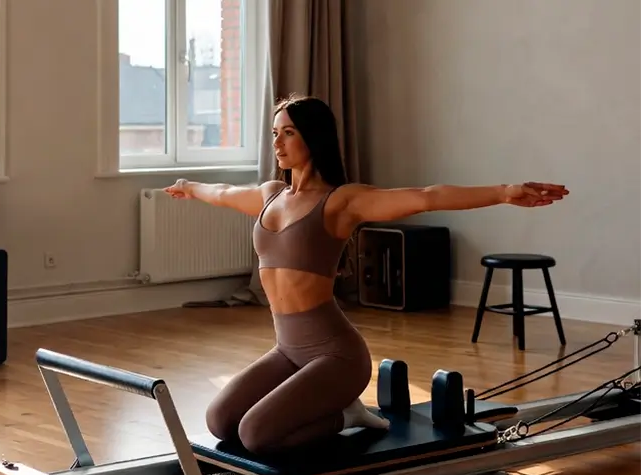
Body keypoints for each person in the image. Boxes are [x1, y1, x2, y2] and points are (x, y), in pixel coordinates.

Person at [163, 94, 568, 456]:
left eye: (288, 133)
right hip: (288, 351)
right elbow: (221, 192)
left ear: (313, 137)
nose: (277, 143)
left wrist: (503, 192)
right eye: (275, 133)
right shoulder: (271, 195)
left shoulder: (341, 202)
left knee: (255, 434)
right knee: (220, 421)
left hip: (336, 356)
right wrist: (188, 185)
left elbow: (425, 197)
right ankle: (338, 408)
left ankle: (348, 416)